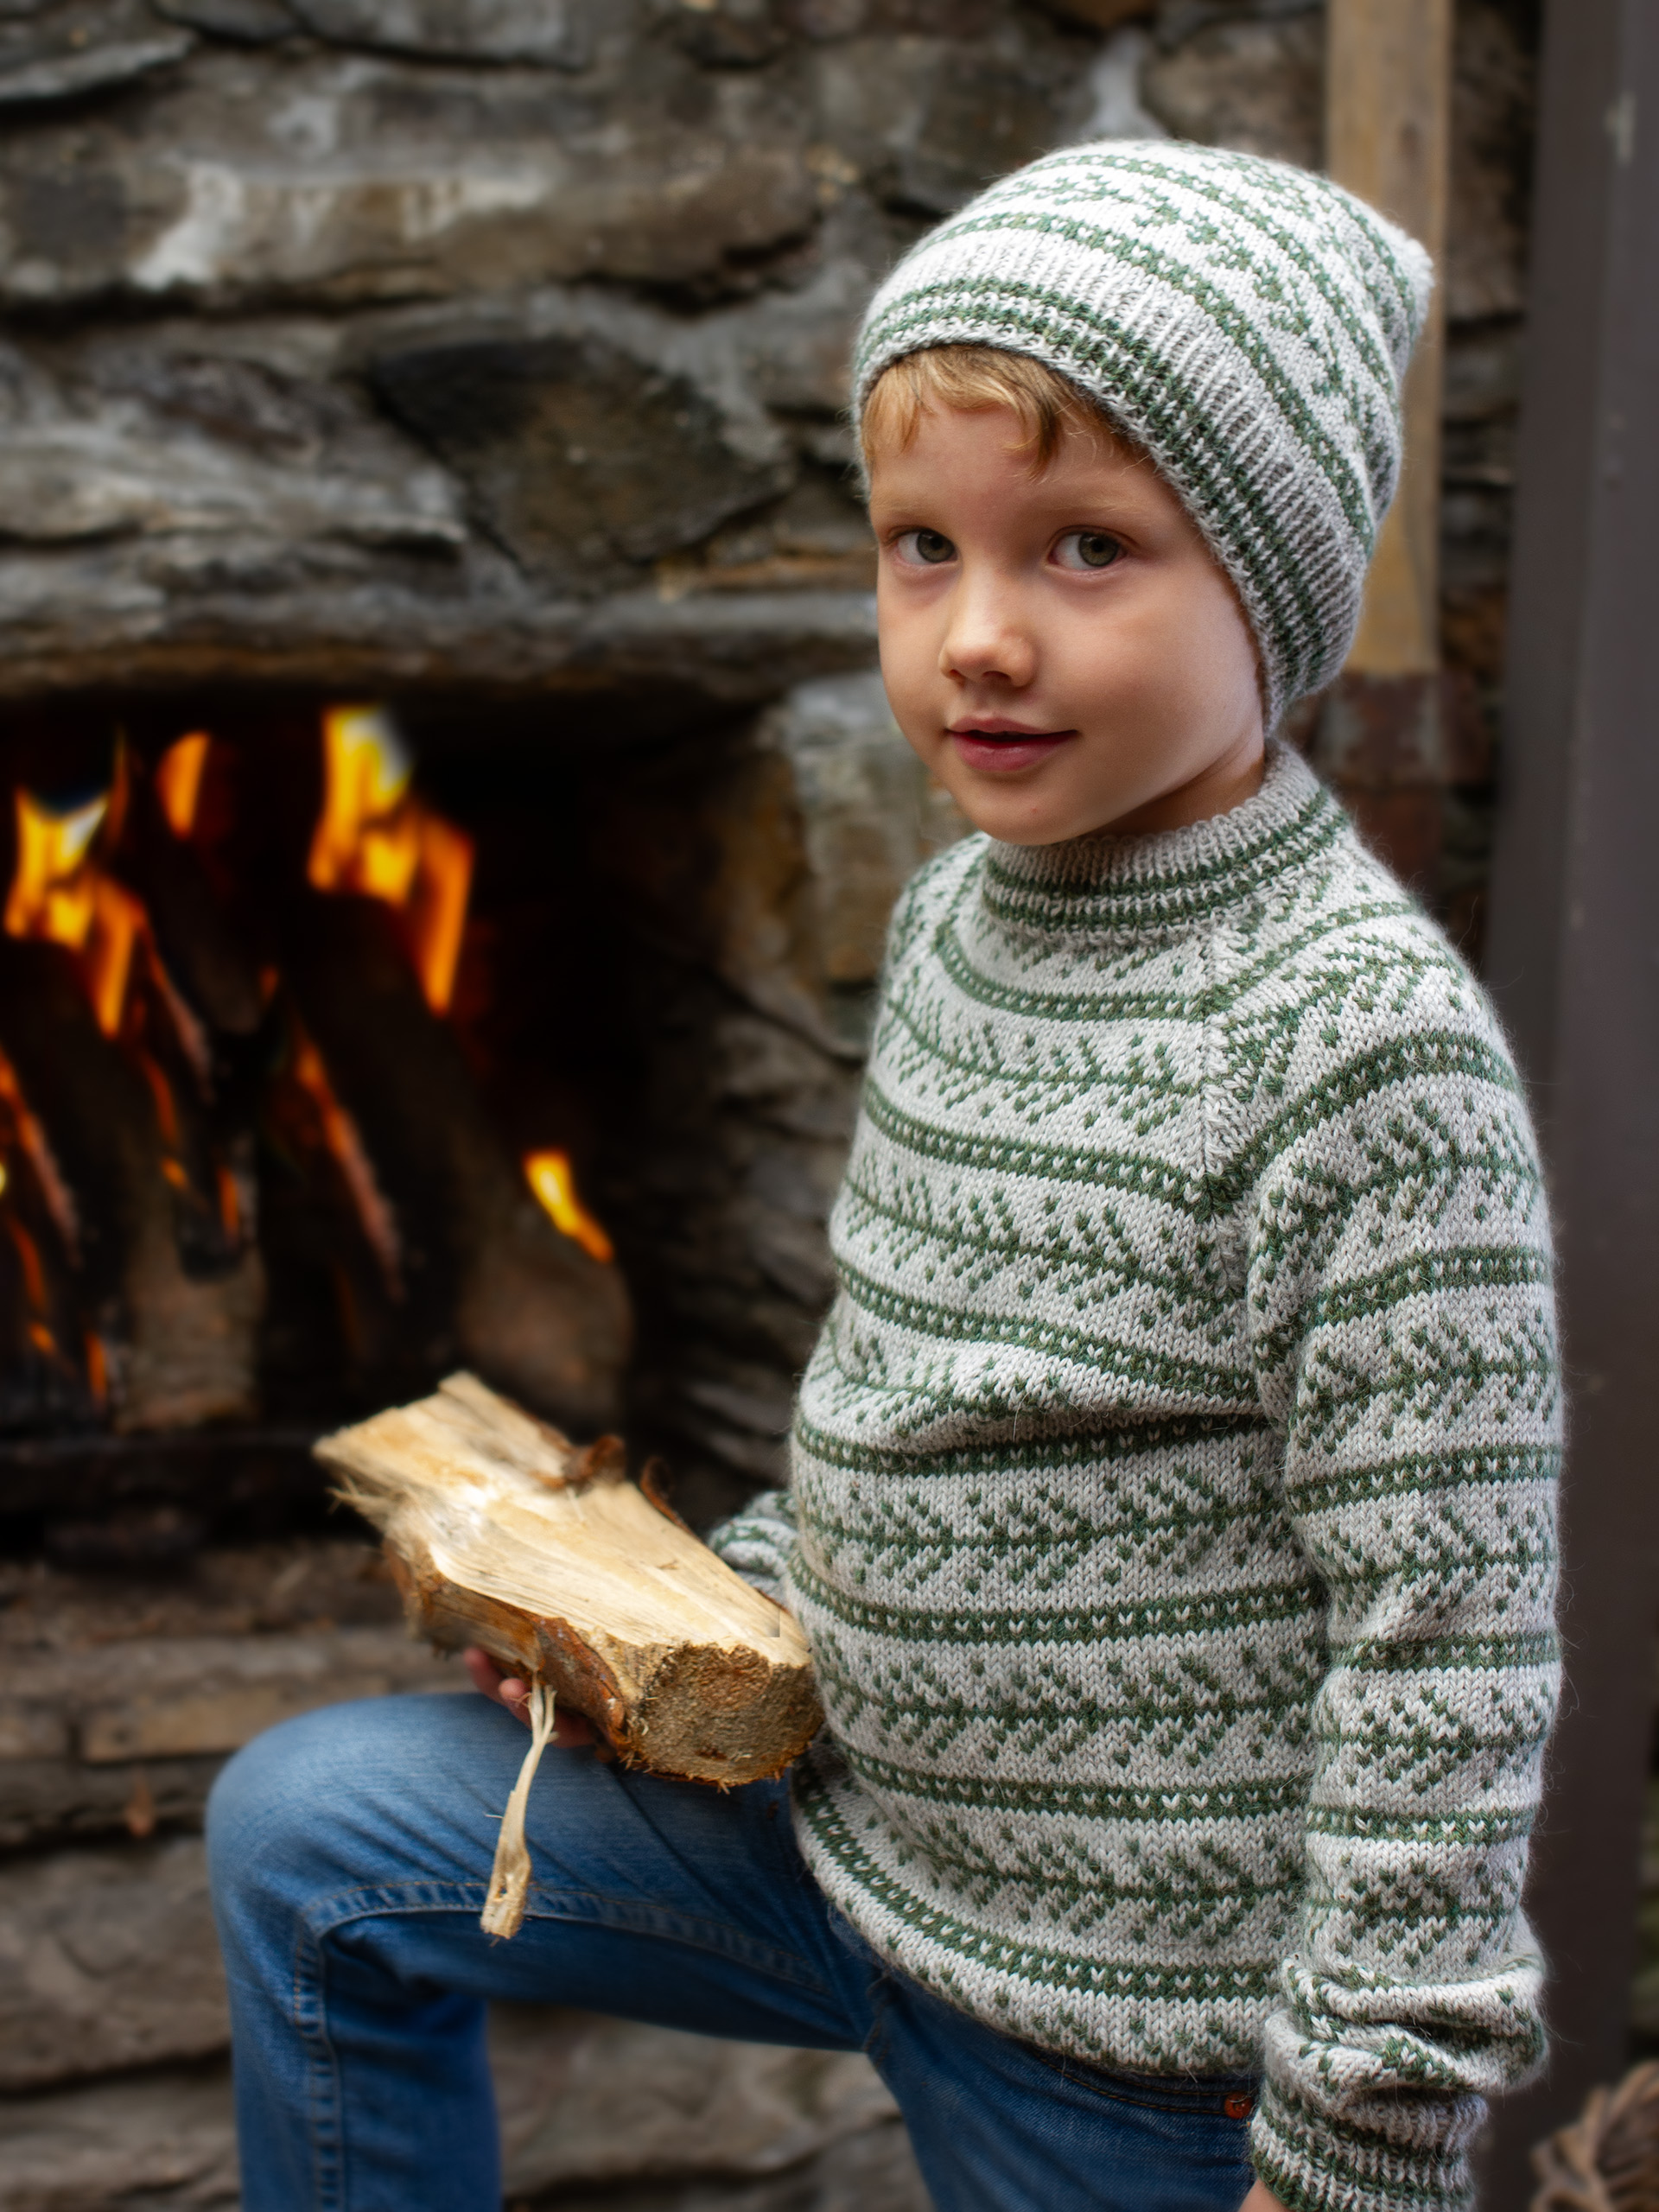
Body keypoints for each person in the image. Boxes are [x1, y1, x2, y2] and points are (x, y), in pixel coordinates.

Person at [207, 141, 1560, 2212]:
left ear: (1277, 585)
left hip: (1135, 2032)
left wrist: (1360, 2131)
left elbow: (1447, 1649)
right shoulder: (959, 926)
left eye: (1087, 549)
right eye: (922, 546)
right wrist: (680, 1627)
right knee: (314, 1829)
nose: (979, 635)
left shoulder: (1360, 1050)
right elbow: (915, 1420)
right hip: (840, 1840)